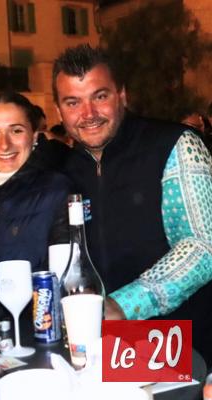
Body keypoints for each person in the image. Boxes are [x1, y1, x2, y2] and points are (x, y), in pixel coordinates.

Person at [53, 44, 212, 363]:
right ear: (59, 111)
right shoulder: (62, 170)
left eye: (100, 96)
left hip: (179, 346)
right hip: (101, 348)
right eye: (73, 102)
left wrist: (126, 304)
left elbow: (202, 245)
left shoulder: (175, 145)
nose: (88, 114)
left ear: (122, 95)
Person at [0, 92, 71, 320]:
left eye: (16, 131)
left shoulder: (58, 191)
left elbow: (64, 282)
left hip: (39, 331)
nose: (4, 144)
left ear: (34, 136)